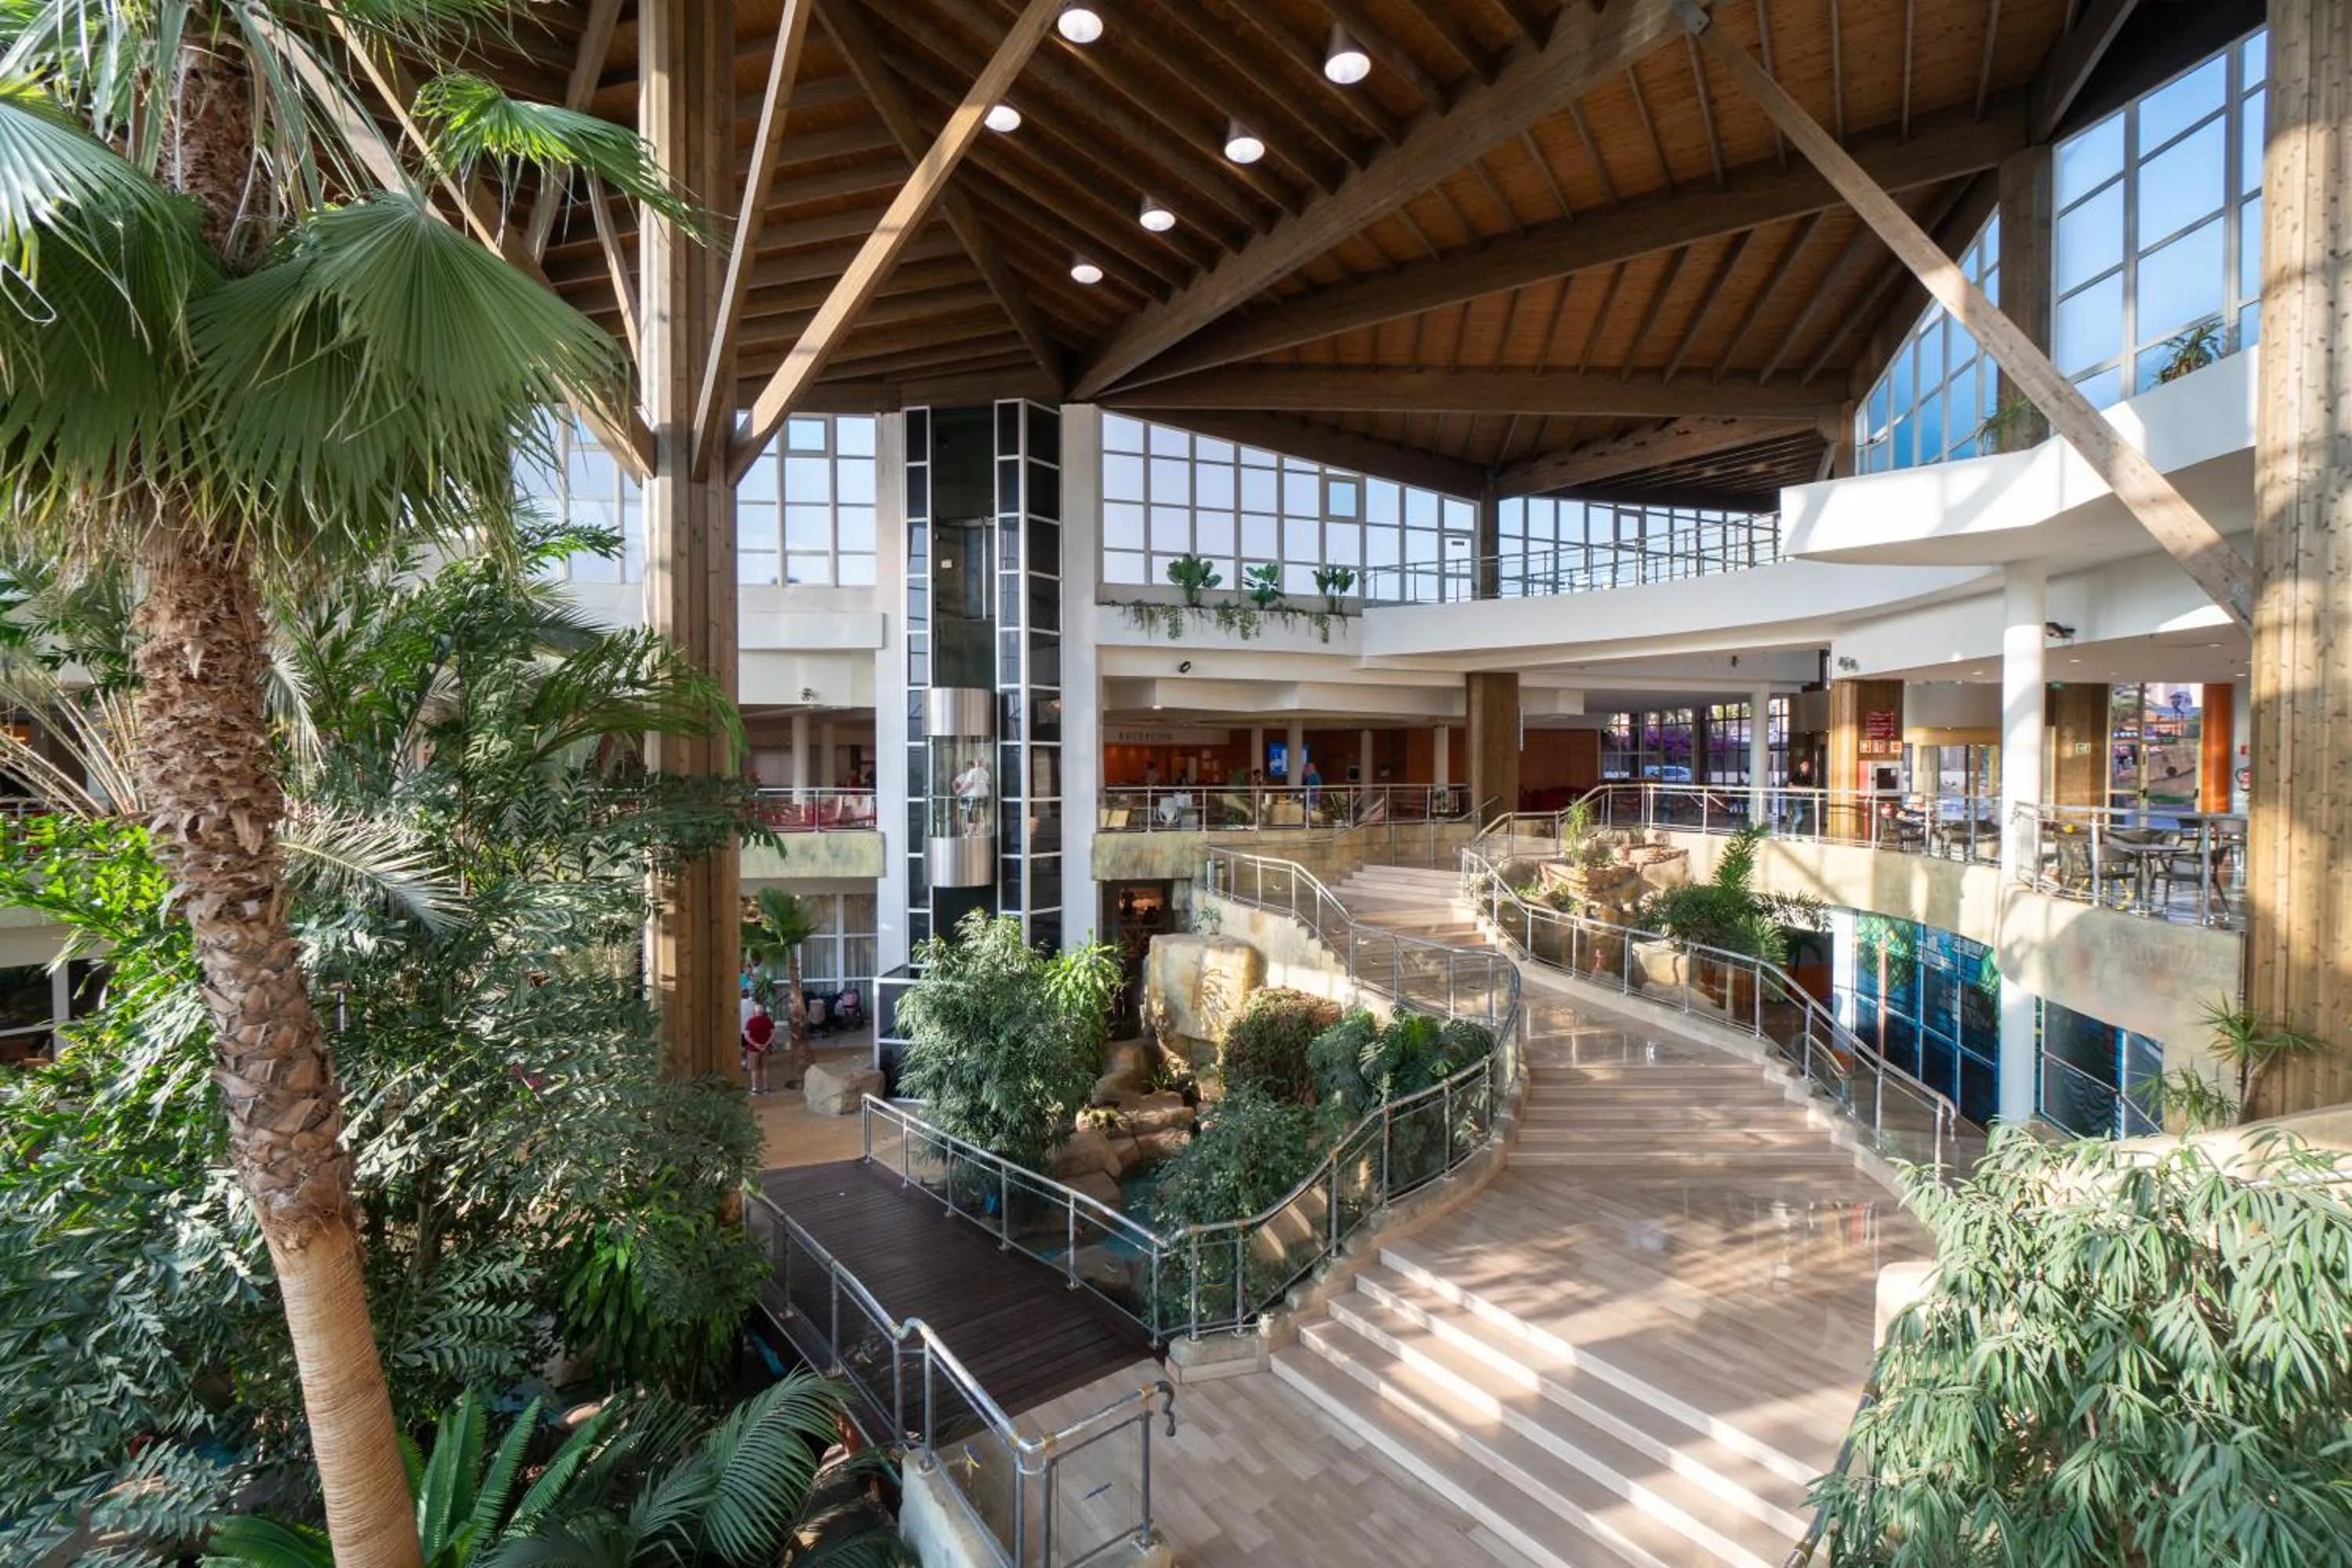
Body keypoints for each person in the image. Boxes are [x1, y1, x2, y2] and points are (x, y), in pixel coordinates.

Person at [952, 754, 992, 836]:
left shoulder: (972, 772)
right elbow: (986, 784)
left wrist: (959, 791)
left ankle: (970, 833)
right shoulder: (986, 773)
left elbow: (969, 783)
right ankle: (977, 832)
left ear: (976, 763)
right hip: (984, 796)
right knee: (980, 815)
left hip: (973, 797)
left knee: (971, 815)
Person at [741, 1000, 775, 1096]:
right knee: (765, 1068)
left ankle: (755, 1088)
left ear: (754, 1012)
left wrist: (756, 1045)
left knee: (754, 1069)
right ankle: (766, 1088)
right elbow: (773, 1034)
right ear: (763, 1012)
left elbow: (747, 1036)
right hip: (765, 1049)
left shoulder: (750, 1022)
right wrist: (766, 1044)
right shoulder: (768, 1021)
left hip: (753, 1050)